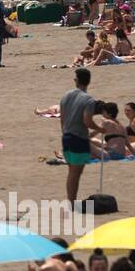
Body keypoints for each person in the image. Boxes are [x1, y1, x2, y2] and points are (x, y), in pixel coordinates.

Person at [58, 68, 101, 201]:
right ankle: (71, 202)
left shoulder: (66, 96)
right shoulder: (88, 100)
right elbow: (87, 121)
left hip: (66, 136)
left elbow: (62, 118)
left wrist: (65, 132)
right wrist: (99, 128)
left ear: (77, 80)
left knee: (72, 172)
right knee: (75, 173)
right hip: (79, 138)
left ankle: (71, 200)